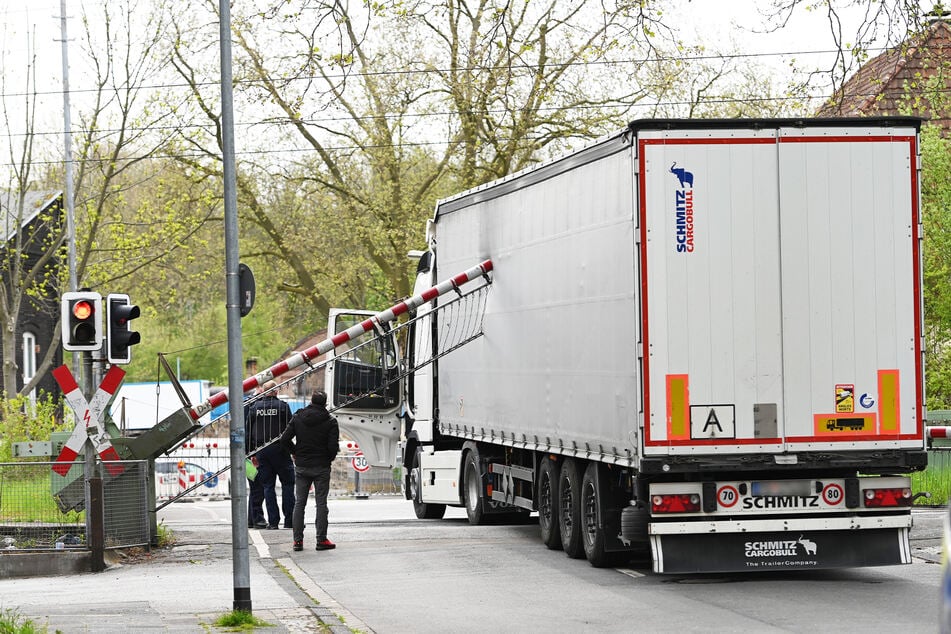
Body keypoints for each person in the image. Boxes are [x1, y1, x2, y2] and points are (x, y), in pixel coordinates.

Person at [280, 389, 339, 551]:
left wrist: (295, 453)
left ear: (311, 401)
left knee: (299, 503)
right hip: (321, 467)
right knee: (321, 504)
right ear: (325, 403)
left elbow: (284, 439)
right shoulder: (330, 421)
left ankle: (297, 541)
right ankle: (321, 540)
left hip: (302, 466)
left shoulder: (298, 417)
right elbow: (333, 447)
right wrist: (328, 459)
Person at [246, 380, 295, 529]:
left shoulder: (254, 408)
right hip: (281, 450)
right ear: (276, 391)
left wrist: (250, 453)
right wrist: (293, 450)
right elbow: (290, 429)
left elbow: (248, 433)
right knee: (287, 484)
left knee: (268, 486)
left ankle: (273, 522)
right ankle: (289, 521)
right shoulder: (283, 407)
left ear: (263, 392)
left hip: (261, 452)